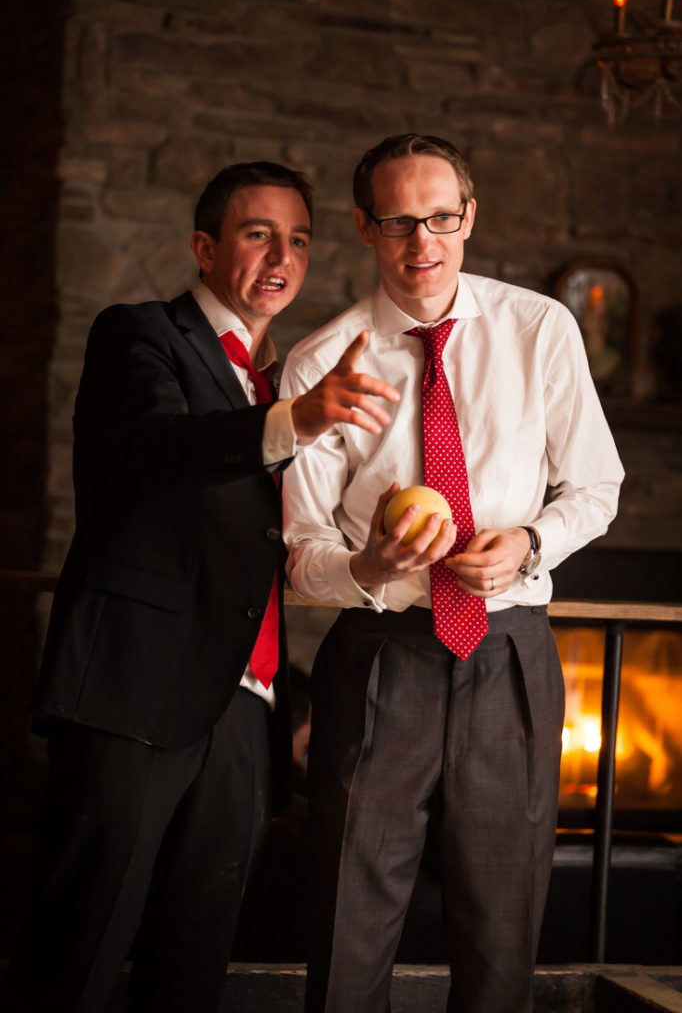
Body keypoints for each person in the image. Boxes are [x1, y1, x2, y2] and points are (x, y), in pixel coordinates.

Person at [3, 160, 399, 1013]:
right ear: (204, 246)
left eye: (297, 239)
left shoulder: (286, 375)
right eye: (258, 234)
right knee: (79, 951)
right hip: (132, 698)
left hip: (243, 708)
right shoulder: (139, 336)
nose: (280, 257)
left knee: (196, 958)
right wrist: (300, 418)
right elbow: (157, 447)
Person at [280, 133, 625, 1013]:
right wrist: (368, 562)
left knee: (503, 929)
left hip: (509, 651)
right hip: (379, 656)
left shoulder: (540, 329)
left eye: (440, 217)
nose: (421, 242)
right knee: (348, 923)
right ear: (364, 226)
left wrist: (531, 544)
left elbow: (597, 485)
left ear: (469, 218)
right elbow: (301, 556)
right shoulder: (322, 364)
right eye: (398, 221)